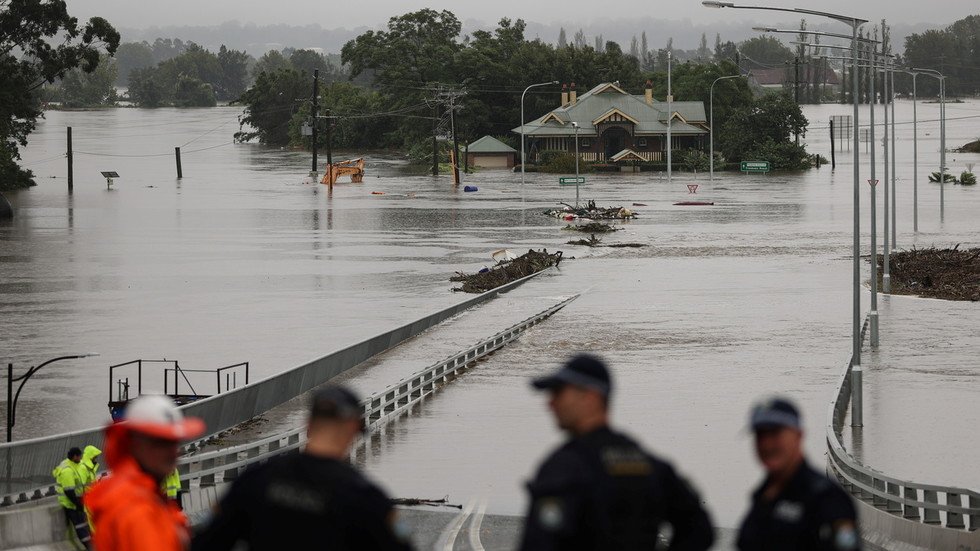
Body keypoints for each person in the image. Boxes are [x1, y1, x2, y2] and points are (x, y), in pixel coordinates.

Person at [520, 354, 714, 551]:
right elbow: (699, 529)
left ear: (591, 397)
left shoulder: (566, 467)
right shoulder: (648, 463)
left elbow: (539, 543)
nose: (550, 404)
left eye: (558, 393)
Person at [192, 385, 412, 551]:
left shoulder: (257, 477)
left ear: (307, 425)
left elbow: (206, 542)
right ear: (354, 429)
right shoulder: (365, 497)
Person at [737, 397, 860, 551]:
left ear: (798, 435)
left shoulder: (828, 498)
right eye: (760, 435)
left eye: (775, 434)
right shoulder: (762, 495)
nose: (766, 444)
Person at [85, 395, 206, 551]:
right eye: (160, 443)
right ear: (133, 445)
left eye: (174, 442)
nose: (172, 452)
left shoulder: (140, 494)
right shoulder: (137, 510)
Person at [53, 447, 91, 550]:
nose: (81, 458)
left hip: (76, 501)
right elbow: (69, 491)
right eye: (79, 456)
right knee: (81, 526)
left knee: (84, 525)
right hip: (70, 503)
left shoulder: (73, 465)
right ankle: (90, 547)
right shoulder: (67, 470)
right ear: (75, 456)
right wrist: (78, 504)